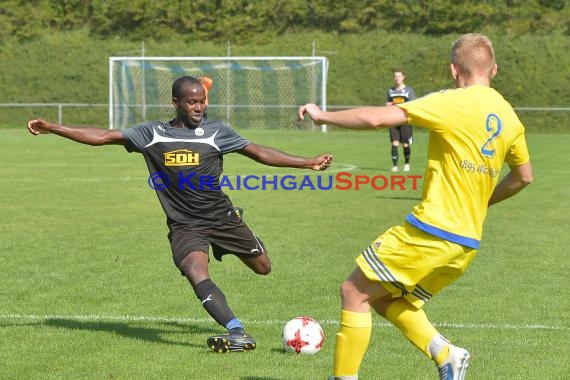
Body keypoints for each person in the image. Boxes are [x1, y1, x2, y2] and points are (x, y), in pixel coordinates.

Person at [27, 75, 333, 353]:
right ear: (176, 103)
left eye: (202, 101)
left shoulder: (217, 132)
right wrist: (53, 128)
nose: (198, 107)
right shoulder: (152, 133)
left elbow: (259, 152)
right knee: (195, 271)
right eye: (191, 102)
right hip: (185, 225)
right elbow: (104, 136)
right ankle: (237, 332)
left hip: (222, 217)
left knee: (263, 267)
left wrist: (307, 163)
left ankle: (243, 241)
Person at [298, 33, 532, 379]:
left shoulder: (453, 100)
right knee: (382, 298)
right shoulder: (510, 117)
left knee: (353, 292)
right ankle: (446, 354)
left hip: (433, 229)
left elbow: (380, 118)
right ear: (493, 69)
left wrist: (323, 115)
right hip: (467, 242)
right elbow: (523, 177)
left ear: (454, 70)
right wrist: (481, 203)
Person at [385, 69, 416, 172]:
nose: (397, 78)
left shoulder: (409, 91)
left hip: (405, 120)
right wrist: (388, 105)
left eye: (399, 76)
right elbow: (388, 104)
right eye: (395, 76)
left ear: (403, 77)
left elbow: (413, 105)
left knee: (405, 144)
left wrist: (396, 104)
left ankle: (407, 163)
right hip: (393, 120)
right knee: (395, 143)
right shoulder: (390, 91)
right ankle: (395, 166)